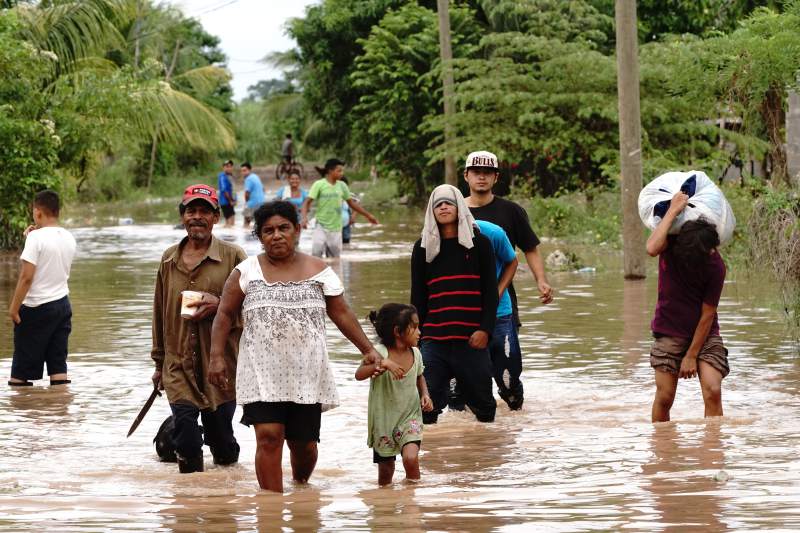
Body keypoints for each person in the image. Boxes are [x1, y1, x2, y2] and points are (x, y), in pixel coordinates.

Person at [207, 200, 384, 493]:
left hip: (307, 373)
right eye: (268, 231)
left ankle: (301, 488)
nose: (276, 235)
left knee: (304, 446)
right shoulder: (246, 271)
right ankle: (271, 508)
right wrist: (216, 356)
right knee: (268, 437)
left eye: (283, 228)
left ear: (297, 230)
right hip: (261, 372)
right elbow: (224, 314)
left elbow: (341, 313)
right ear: (260, 237)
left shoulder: (319, 271)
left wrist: (368, 349)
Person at [150, 184, 247, 474]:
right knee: (188, 441)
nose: (197, 217)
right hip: (178, 365)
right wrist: (158, 363)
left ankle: (223, 505)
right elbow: (159, 312)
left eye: (204, 211)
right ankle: (189, 510)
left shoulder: (234, 257)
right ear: (183, 216)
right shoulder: (169, 259)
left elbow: (256, 307)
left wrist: (221, 304)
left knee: (222, 444)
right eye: (191, 210)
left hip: (220, 366)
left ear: (215, 217)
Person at [463, 150, 553, 409]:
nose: (481, 177)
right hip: (462, 303)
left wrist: (541, 280)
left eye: (487, 173)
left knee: (508, 375)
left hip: (501, 301)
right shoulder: (452, 210)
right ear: (466, 175)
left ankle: (513, 425)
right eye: (476, 172)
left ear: (496, 177)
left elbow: (530, 248)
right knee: (462, 376)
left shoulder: (511, 211)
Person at [411, 184, 498, 424]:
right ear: (432, 211)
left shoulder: (480, 244)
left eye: (449, 202)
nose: (444, 207)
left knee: (484, 409)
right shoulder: (422, 249)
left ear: (459, 207)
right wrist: (415, 339)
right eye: (438, 204)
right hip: (434, 341)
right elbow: (417, 297)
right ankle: (434, 459)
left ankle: (483, 458)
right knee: (427, 409)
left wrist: (485, 330)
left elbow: (491, 293)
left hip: (472, 340)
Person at [646, 192, 728, 422]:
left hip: (705, 333)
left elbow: (707, 314)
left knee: (713, 390)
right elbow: (651, 248)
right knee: (665, 397)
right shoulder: (670, 245)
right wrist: (673, 210)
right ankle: (663, 450)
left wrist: (692, 355)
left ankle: (711, 451)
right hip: (669, 330)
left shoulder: (715, 266)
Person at [355, 303, 433, 486]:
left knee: (411, 458)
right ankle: (386, 509)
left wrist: (425, 395)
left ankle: (412, 500)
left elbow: (419, 376)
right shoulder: (379, 353)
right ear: (398, 332)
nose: (419, 332)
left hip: (410, 416)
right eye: (415, 327)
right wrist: (382, 364)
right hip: (384, 421)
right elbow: (359, 374)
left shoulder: (416, 353)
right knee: (385, 476)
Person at [7, 190, 76, 387]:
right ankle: (59, 414)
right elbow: (51, 262)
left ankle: (23, 415)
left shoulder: (35, 239)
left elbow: (27, 277)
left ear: (38, 212)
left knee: (19, 375)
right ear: (57, 211)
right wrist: (31, 238)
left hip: (36, 308)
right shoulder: (68, 237)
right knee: (58, 368)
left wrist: (13, 308)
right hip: (62, 306)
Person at [474, 220, 521, 410]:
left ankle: (514, 426)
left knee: (508, 381)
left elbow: (512, 261)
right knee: (458, 387)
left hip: (499, 314)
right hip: (460, 316)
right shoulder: (436, 235)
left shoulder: (492, 233)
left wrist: (497, 293)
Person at [301, 159, 379, 258]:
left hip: (336, 229)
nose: (342, 173)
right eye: (339, 171)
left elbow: (352, 204)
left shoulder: (342, 186)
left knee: (334, 259)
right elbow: (307, 202)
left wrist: (368, 215)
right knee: (316, 254)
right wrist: (304, 218)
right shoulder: (319, 184)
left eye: (342, 171)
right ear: (330, 171)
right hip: (320, 226)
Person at [242, 162, 265, 229]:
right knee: (258, 223)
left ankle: (244, 237)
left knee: (246, 224)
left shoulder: (248, 179)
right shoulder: (255, 176)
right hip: (261, 203)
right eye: (242, 171)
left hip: (252, 204)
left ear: (249, 170)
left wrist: (246, 203)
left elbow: (247, 193)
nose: (243, 172)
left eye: (245, 170)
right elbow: (263, 189)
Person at [217, 159, 236, 227]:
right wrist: (231, 200)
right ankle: (226, 236)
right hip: (225, 201)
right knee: (229, 223)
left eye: (230, 166)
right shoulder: (222, 176)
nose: (229, 168)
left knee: (232, 223)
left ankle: (230, 236)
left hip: (230, 201)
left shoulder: (231, 176)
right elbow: (224, 190)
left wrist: (234, 200)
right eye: (227, 166)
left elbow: (233, 189)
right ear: (223, 168)